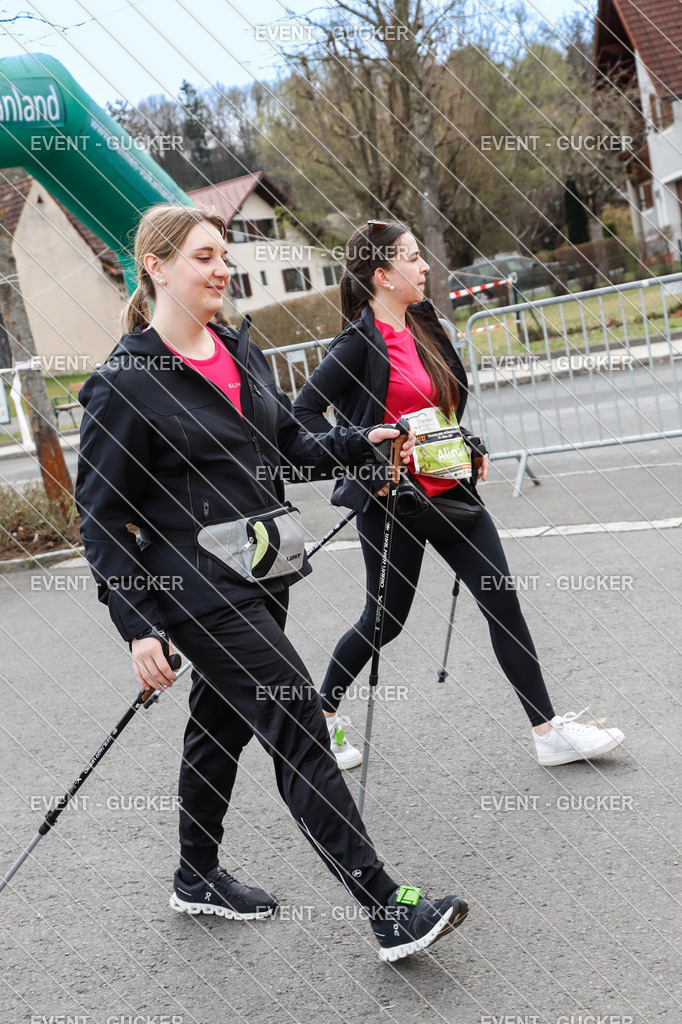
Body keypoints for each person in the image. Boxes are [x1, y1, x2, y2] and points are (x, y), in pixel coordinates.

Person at [74, 204, 469, 962]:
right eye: (201, 256)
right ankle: (387, 906)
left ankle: (196, 875)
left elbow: (288, 443)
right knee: (297, 720)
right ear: (155, 267)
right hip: (194, 588)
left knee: (219, 725)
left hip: (263, 568)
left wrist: (362, 443)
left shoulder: (237, 350)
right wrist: (137, 625)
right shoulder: (121, 385)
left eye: (224, 254)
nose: (221, 268)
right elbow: (100, 519)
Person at [293, 220, 625, 770]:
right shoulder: (357, 343)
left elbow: (439, 407)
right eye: (413, 258)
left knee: (503, 604)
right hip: (393, 502)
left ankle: (547, 732)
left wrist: (468, 443)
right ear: (383, 274)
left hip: (453, 493)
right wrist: (363, 457)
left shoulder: (424, 325)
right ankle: (320, 716)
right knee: (385, 621)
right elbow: (302, 415)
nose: (425, 267)